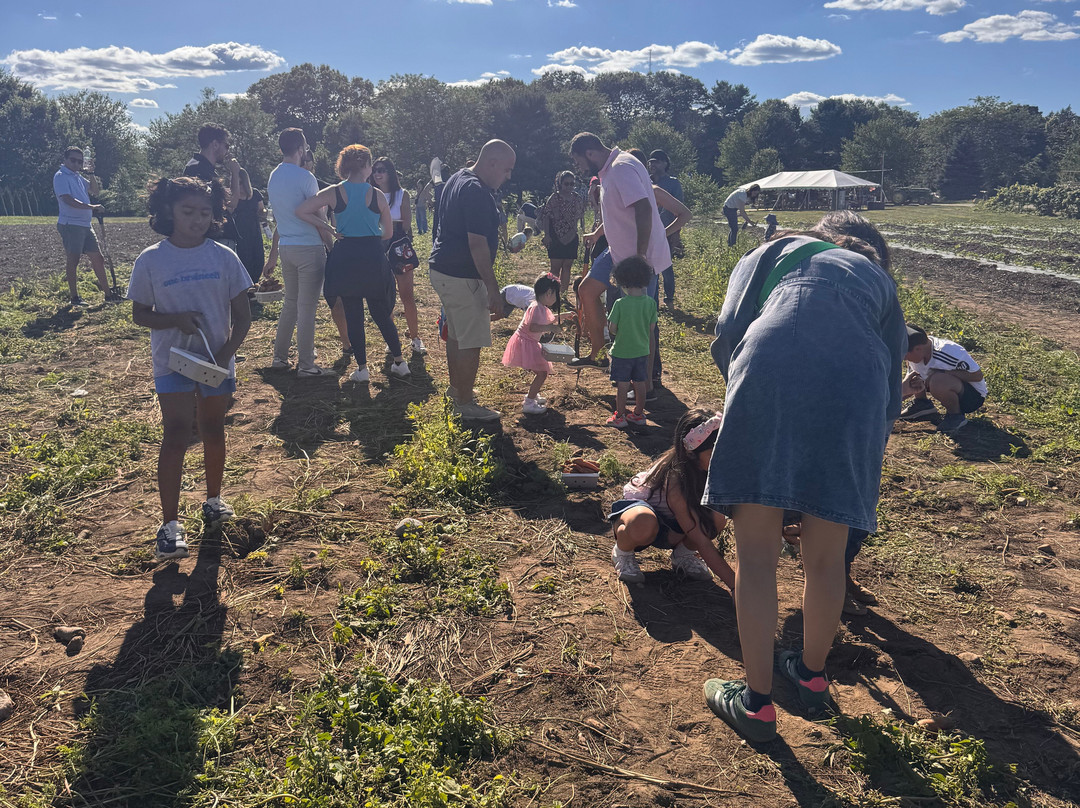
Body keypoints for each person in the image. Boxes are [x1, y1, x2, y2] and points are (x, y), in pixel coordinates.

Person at [702, 211, 907, 743]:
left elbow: (728, 330)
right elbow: (889, 386)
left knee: (757, 556)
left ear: (822, 234)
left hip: (771, 359)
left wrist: (750, 395)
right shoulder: (878, 282)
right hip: (858, 390)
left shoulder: (779, 248)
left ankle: (757, 703)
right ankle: (813, 679)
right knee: (825, 555)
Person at [127, 176, 253, 561]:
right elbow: (139, 315)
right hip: (173, 363)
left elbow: (243, 318)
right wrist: (175, 320)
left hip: (216, 366)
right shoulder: (151, 260)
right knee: (178, 433)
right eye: (187, 212)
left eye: (205, 212)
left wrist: (225, 357)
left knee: (214, 429)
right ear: (168, 211)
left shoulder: (224, 257)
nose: (197, 220)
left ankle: (213, 500)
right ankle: (169, 526)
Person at [296, 145, 411, 384]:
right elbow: (388, 232)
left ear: (344, 166)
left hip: (346, 256)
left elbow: (302, 210)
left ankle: (362, 368)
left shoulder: (334, 192)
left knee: (354, 314)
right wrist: (370, 234)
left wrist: (329, 228)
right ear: (367, 166)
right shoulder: (377, 195)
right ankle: (400, 362)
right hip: (371, 255)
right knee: (381, 314)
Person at [428, 139, 522, 421]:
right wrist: (493, 290)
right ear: (491, 163)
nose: (508, 177)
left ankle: (457, 390)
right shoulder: (477, 191)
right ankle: (465, 404)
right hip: (462, 276)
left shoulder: (459, 177)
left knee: (457, 335)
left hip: (443, 271)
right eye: (506, 170)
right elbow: (477, 245)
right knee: (471, 341)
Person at [568, 135, 670, 388]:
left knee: (641, 320)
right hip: (616, 251)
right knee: (586, 290)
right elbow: (619, 210)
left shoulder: (621, 167)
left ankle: (644, 382)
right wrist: (598, 233)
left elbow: (644, 209)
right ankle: (599, 355)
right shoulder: (610, 170)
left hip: (638, 257)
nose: (580, 168)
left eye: (579, 162)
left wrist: (639, 256)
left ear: (590, 153)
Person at [609, 408, 736, 589]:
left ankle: (683, 555)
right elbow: (701, 539)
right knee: (642, 522)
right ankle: (623, 552)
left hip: (676, 525)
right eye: (714, 454)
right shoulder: (675, 479)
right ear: (691, 453)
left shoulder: (712, 469)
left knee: (716, 519)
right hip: (647, 515)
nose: (722, 459)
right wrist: (735, 586)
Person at [265, 128, 336, 376]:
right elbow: (318, 216)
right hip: (309, 248)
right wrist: (331, 246)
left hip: (286, 247)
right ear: (300, 149)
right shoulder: (305, 178)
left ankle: (279, 357)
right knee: (307, 307)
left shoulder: (273, 176)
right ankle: (306, 365)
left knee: (291, 304)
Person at [371, 156, 425, 356]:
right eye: (375, 170)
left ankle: (415, 337)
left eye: (382, 170)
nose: (378, 173)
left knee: (406, 294)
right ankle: (391, 338)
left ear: (390, 173)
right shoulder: (369, 194)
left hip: (398, 244)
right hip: (377, 245)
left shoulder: (402, 194)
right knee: (386, 297)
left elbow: (406, 224)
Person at [52, 147, 116, 306]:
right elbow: (68, 199)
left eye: (79, 161)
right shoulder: (61, 176)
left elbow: (95, 191)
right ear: (65, 159)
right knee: (73, 260)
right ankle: (74, 298)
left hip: (85, 225)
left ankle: (109, 296)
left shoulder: (78, 177)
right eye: (73, 160)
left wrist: (91, 173)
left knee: (98, 258)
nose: (76, 164)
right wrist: (91, 207)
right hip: (71, 224)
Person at [899, 324, 986, 434]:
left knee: (938, 380)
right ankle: (922, 404)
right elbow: (908, 385)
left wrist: (943, 372)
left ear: (918, 348)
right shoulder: (916, 352)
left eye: (905, 355)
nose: (903, 358)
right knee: (917, 376)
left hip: (972, 397)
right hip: (948, 385)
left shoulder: (948, 352)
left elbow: (977, 376)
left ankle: (955, 416)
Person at [605, 256, 657, 429]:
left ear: (623, 282)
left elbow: (612, 329)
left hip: (622, 352)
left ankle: (620, 416)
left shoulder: (620, 304)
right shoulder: (650, 303)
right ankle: (638, 414)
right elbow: (651, 328)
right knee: (640, 383)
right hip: (642, 351)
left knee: (623, 385)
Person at [502, 273, 564, 415]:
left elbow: (548, 319)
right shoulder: (536, 307)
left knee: (540, 372)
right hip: (527, 343)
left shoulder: (539, 306)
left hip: (529, 342)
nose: (556, 299)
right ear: (549, 292)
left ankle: (533, 394)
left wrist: (564, 316)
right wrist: (551, 328)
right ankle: (529, 403)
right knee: (542, 373)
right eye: (556, 295)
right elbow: (533, 327)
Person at [184, 122, 242, 249]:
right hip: (214, 240)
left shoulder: (199, 167)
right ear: (215, 144)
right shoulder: (199, 169)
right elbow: (232, 204)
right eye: (226, 145)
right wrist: (235, 173)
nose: (227, 150)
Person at [647, 150, 685, 307]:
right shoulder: (646, 181)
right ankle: (652, 301)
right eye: (650, 162)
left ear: (665, 164)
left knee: (666, 266)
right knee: (650, 267)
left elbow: (680, 210)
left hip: (667, 231)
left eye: (656, 161)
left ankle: (669, 299)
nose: (652, 164)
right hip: (648, 232)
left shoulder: (673, 183)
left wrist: (675, 233)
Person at [537, 171, 585, 291]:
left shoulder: (577, 199)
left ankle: (563, 292)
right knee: (555, 267)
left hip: (571, 236)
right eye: (566, 184)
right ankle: (553, 293)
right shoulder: (554, 198)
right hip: (555, 236)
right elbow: (546, 216)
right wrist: (547, 235)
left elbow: (580, 216)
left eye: (571, 184)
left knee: (567, 266)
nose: (569, 187)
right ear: (560, 184)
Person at [232, 168, 265, 284]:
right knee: (245, 260)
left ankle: (254, 285)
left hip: (254, 231)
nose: (239, 186)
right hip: (240, 233)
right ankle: (246, 288)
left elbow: (261, 210)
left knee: (259, 259)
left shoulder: (255, 194)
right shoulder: (232, 197)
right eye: (236, 182)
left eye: (241, 183)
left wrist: (264, 214)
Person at [722, 184, 760, 248]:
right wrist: (750, 222)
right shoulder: (742, 195)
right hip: (729, 209)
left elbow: (741, 211)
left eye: (756, 194)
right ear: (751, 190)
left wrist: (747, 219)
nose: (755, 195)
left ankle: (730, 244)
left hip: (732, 209)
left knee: (733, 228)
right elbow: (742, 212)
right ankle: (732, 246)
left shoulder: (744, 194)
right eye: (754, 193)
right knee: (735, 229)